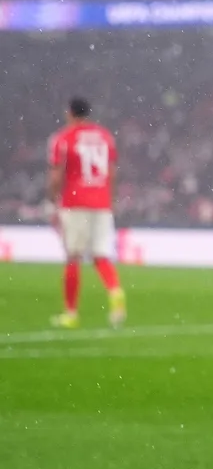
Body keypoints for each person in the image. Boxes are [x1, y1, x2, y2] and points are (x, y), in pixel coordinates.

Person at [46, 97, 126, 329]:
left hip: (75, 202)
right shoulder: (105, 136)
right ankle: (115, 291)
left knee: (74, 257)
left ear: (69, 113)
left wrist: (52, 201)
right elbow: (111, 172)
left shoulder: (63, 138)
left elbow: (56, 174)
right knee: (101, 256)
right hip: (101, 202)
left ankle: (71, 314)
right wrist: (110, 199)